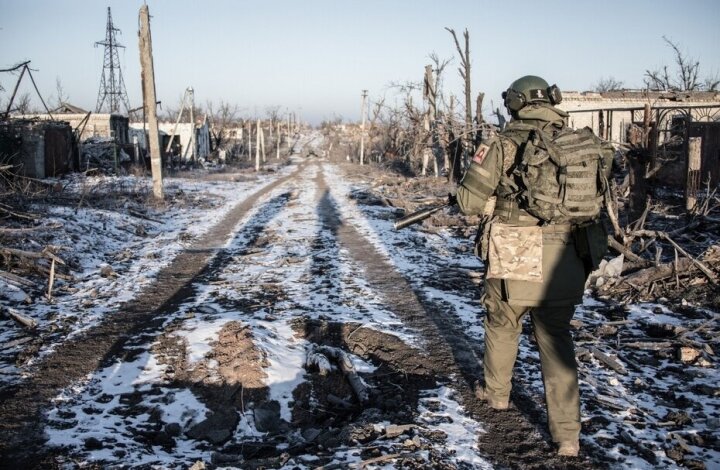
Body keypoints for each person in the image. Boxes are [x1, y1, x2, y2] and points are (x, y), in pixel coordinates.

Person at [454, 75, 614, 457]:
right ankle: (568, 438)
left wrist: (492, 202)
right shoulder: (577, 144)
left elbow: (468, 202)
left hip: (515, 248)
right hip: (568, 254)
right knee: (556, 338)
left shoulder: (502, 143)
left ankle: (496, 395)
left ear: (515, 103)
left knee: (503, 319)